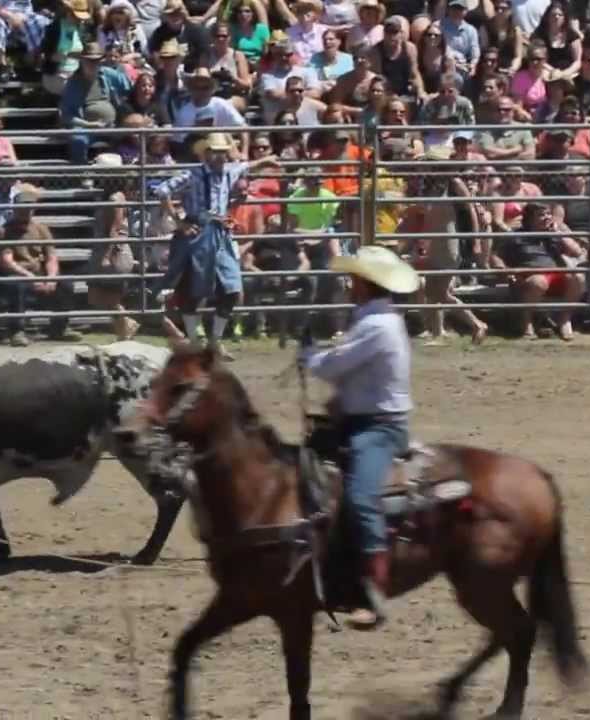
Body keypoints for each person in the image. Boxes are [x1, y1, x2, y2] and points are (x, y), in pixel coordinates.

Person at [298, 244, 419, 631]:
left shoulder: (376, 325)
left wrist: (309, 356)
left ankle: (375, 591)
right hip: (363, 420)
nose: (350, 285)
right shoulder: (376, 319)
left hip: (378, 426)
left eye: (354, 279)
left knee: (362, 497)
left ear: (366, 284)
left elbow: (335, 366)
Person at [152, 131, 277, 360]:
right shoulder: (192, 174)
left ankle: (214, 341)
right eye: (215, 152)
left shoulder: (230, 171)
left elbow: (247, 166)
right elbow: (162, 190)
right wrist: (179, 222)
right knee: (194, 288)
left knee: (232, 288)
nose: (220, 157)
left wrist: (265, 161)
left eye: (222, 152)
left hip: (220, 232)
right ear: (206, 153)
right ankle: (194, 342)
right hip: (198, 231)